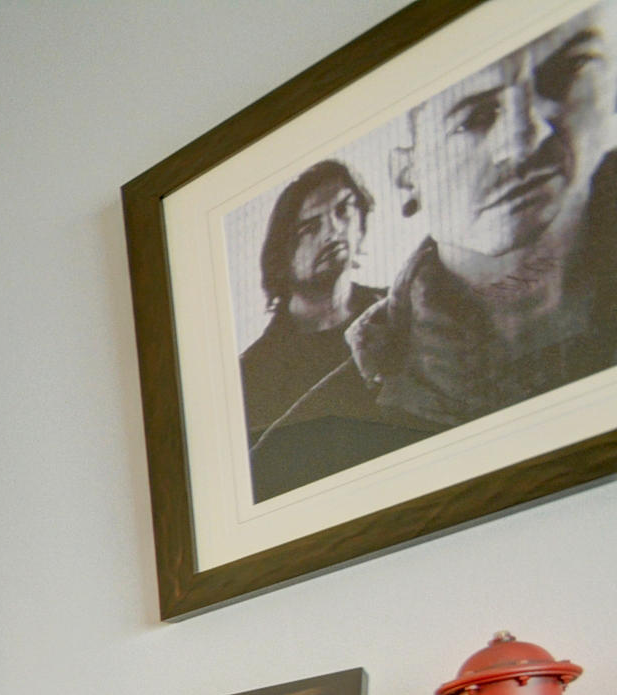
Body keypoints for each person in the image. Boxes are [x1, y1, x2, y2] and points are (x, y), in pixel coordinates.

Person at [255, 8, 617, 495]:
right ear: (408, 175)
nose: (524, 141)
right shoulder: (310, 436)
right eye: (476, 116)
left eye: (566, 74)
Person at [242, 160, 387, 456]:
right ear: (280, 259)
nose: (333, 231)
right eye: (309, 228)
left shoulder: (401, 309)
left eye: (343, 210)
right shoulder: (253, 374)